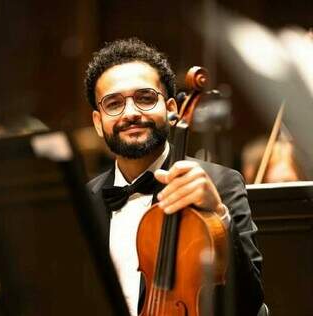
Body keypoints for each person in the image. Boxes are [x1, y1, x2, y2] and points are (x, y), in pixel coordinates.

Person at [85, 38, 263, 316]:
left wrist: (218, 215)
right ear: (98, 122)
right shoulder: (85, 200)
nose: (131, 113)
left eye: (145, 98)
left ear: (170, 108)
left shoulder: (220, 184)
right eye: (114, 103)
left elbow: (249, 305)